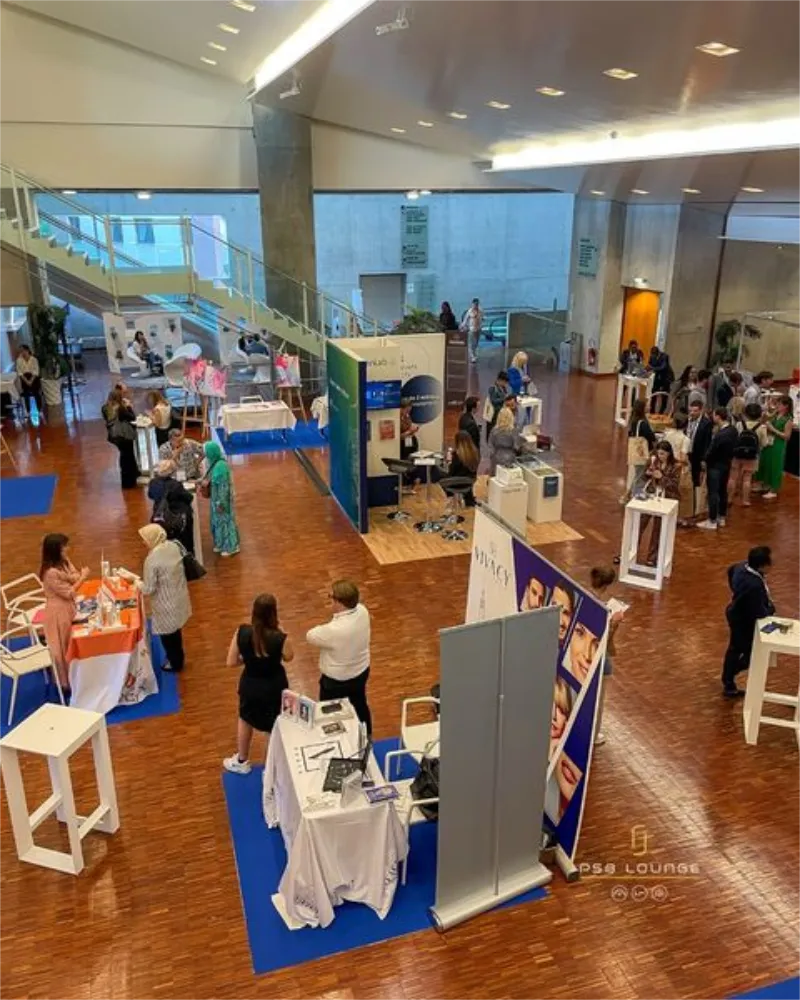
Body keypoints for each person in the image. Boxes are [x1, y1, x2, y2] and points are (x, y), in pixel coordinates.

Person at [223, 593, 295, 775]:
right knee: (274, 726)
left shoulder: (242, 632)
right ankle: (270, 768)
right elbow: (289, 656)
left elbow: (231, 662)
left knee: (246, 718)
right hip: (274, 686)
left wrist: (248, 660)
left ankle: (241, 760)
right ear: (273, 613)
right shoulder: (279, 637)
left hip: (250, 685)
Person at [307, 580, 372, 734]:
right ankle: (367, 737)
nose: (330, 600)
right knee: (360, 704)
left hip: (336, 682)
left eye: (331, 597)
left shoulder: (333, 630)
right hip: (361, 672)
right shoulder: (362, 611)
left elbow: (310, 635)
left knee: (330, 714)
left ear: (339, 603)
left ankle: (335, 741)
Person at [721, 546, 774, 697]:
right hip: (743, 621)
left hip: (736, 613)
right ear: (762, 565)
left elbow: (731, 571)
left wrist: (736, 592)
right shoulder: (754, 586)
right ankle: (729, 676)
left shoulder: (741, 567)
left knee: (735, 649)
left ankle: (728, 679)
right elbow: (759, 612)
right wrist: (770, 609)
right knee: (749, 652)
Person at [139, 524, 191, 673]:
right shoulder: (173, 546)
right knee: (176, 633)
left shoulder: (152, 559)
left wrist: (136, 583)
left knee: (168, 637)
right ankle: (178, 658)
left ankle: (175, 663)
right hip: (179, 597)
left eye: (145, 539)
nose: (143, 542)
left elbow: (148, 588)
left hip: (164, 603)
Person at [40, 533, 89, 690]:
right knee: (62, 647)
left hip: (68, 607)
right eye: (64, 547)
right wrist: (82, 577)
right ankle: (65, 683)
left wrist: (78, 578)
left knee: (69, 643)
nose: (67, 549)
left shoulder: (64, 561)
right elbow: (69, 592)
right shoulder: (50, 573)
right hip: (57, 613)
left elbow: (73, 576)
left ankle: (74, 676)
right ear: (56, 550)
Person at [589, 566, 625, 746]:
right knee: (598, 701)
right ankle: (594, 735)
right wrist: (615, 623)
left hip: (586, 657)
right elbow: (604, 638)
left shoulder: (586, 598)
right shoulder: (602, 610)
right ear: (607, 585)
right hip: (600, 659)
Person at [640, 441, 681, 562]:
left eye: (662, 454)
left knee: (658, 529)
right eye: (658, 454)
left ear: (669, 453)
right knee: (641, 522)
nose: (660, 456)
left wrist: (661, 478)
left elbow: (674, 485)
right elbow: (643, 477)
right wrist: (647, 474)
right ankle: (631, 550)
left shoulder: (676, 466)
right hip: (651, 495)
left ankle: (652, 557)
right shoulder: (653, 461)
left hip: (666, 498)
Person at [698, 407, 738, 530]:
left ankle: (712, 519)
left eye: (714, 415)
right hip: (726, 464)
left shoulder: (720, 435)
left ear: (718, 416)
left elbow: (712, 451)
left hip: (715, 466)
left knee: (713, 493)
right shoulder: (733, 430)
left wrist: (705, 460)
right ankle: (721, 517)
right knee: (722, 491)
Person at [148, 459, 195, 554]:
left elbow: (150, 495)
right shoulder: (175, 485)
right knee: (185, 539)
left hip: (160, 515)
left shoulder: (153, 483)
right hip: (176, 517)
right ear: (172, 471)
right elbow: (188, 497)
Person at [202, 441, 240, 556]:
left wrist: (220, 504)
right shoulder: (215, 463)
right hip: (216, 500)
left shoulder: (221, 467)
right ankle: (220, 543)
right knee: (218, 522)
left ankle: (231, 547)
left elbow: (223, 489)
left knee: (225, 522)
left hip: (221, 502)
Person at [753, 394, 793, 500]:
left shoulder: (788, 419)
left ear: (786, 406)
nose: (777, 406)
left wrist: (773, 429)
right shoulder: (776, 415)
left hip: (778, 444)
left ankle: (774, 489)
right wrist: (769, 409)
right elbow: (763, 420)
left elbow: (787, 436)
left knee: (775, 466)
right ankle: (764, 484)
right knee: (765, 463)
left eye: (779, 404)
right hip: (768, 442)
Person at [728, 403, 769, 507]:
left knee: (733, 477)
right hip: (752, 456)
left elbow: (733, 438)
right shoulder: (761, 427)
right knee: (747, 478)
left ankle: (729, 498)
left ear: (746, 413)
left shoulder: (739, 424)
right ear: (759, 414)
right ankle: (745, 500)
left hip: (737, 454)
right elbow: (764, 443)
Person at [102, 387, 141, 489]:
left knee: (125, 455)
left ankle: (133, 475)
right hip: (125, 435)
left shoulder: (105, 408)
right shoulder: (120, 409)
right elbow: (132, 417)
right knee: (128, 457)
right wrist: (129, 406)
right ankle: (128, 481)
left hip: (114, 436)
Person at [663, 414, 694, 525]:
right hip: (680, 469)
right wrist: (687, 463)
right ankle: (680, 517)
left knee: (668, 490)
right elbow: (683, 456)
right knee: (683, 493)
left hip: (667, 466)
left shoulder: (668, 435)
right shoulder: (685, 439)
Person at [686, 399, 713, 519]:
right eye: (691, 410)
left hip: (698, 455)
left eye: (695, 411)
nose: (692, 413)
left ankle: (696, 508)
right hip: (687, 453)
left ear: (701, 410)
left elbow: (707, 442)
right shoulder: (687, 420)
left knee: (696, 480)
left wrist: (704, 459)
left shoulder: (706, 423)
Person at [625, 398, 655, 494]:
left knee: (638, 474)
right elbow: (651, 436)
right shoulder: (642, 423)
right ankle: (635, 497)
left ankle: (630, 495)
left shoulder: (633, 420)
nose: (649, 407)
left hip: (636, 452)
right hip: (642, 452)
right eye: (647, 405)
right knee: (640, 477)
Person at [442, 430, 479, 505]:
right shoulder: (475, 453)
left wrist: (449, 462)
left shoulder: (457, 455)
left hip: (456, 482)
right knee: (466, 475)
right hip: (469, 482)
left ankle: (450, 498)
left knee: (439, 474)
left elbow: (452, 472)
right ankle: (468, 499)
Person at [488, 406, 522, 475]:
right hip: (509, 459)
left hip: (496, 458)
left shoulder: (494, 430)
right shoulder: (513, 431)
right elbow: (516, 447)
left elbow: (490, 445)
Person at [15, 344, 43, 418]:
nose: (22, 352)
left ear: (27, 350)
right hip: (24, 378)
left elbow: (36, 371)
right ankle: (27, 412)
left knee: (36, 394)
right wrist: (26, 381)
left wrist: (31, 380)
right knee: (26, 395)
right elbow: (19, 372)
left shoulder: (34, 359)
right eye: (20, 351)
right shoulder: (18, 360)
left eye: (23, 350)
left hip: (34, 378)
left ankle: (39, 410)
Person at [485, 371, 510, 440]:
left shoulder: (503, 388)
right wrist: (504, 398)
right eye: (504, 382)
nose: (505, 384)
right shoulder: (493, 388)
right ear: (500, 380)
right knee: (492, 431)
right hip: (494, 414)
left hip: (500, 413)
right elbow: (493, 401)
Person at [648, 346, 673, 414]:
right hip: (657, 378)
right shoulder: (652, 357)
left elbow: (663, 367)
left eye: (654, 355)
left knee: (664, 396)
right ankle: (652, 411)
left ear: (657, 353)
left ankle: (661, 412)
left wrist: (652, 368)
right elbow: (649, 364)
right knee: (654, 393)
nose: (653, 356)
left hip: (666, 378)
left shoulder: (665, 356)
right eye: (652, 355)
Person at [462, 297, 484, 364]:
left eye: (477, 304)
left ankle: (474, 354)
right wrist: (463, 326)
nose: (476, 305)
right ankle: (472, 356)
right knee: (472, 343)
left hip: (478, 329)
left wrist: (482, 323)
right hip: (471, 329)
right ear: (472, 304)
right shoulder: (470, 311)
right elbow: (465, 319)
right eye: (474, 304)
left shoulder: (481, 310)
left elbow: (482, 318)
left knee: (476, 343)